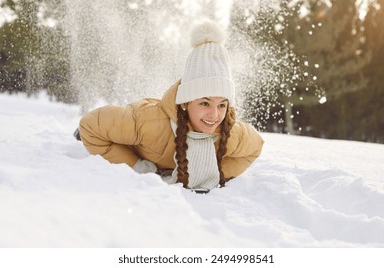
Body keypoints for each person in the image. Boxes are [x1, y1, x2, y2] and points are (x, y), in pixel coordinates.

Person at [78, 20, 264, 193]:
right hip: (137, 124)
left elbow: (255, 148)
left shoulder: (229, 132)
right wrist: (136, 165)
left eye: (222, 105)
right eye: (204, 103)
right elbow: (90, 126)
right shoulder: (147, 123)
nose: (214, 115)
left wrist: (215, 171)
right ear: (185, 102)